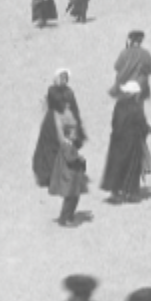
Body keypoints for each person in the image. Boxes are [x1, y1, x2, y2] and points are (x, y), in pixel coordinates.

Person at [44, 84, 89, 226]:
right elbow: (70, 158)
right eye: (73, 133)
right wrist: (80, 159)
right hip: (69, 178)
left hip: (70, 178)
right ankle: (65, 218)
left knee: (73, 199)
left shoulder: (68, 144)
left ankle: (68, 217)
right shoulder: (67, 145)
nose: (75, 135)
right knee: (70, 199)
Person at [100, 81, 151, 202]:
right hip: (132, 141)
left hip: (117, 140)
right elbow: (142, 124)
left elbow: (114, 123)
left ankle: (115, 191)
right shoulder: (136, 107)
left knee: (116, 165)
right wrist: (143, 134)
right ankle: (130, 192)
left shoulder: (119, 105)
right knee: (132, 167)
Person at [111, 30, 151, 101]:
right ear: (141, 41)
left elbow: (117, 67)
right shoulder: (145, 53)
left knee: (121, 104)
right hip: (140, 85)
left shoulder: (124, 52)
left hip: (124, 84)